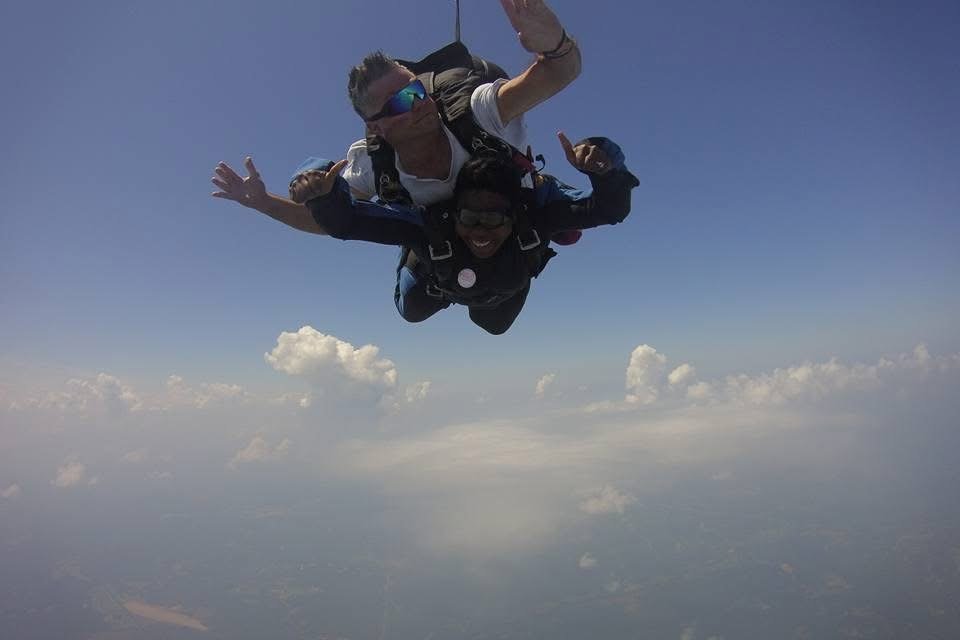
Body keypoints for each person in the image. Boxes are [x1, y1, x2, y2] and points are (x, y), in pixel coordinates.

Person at [211, 0, 583, 244]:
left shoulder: (478, 112)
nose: (422, 102)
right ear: (377, 126)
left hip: (509, 205)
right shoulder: (373, 163)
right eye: (403, 101)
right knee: (415, 304)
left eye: (418, 90)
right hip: (445, 234)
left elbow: (560, 72)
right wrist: (263, 203)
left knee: (566, 232)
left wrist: (555, 44)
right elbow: (323, 220)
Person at [283, 133, 639, 334]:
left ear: (514, 217)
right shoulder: (429, 227)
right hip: (437, 276)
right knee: (411, 310)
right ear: (453, 213)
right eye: (470, 217)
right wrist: (322, 189)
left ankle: (451, 279)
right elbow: (347, 223)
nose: (480, 231)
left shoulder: (534, 222)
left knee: (494, 325)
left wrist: (606, 171)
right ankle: (415, 263)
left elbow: (607, 210)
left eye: (494, 219)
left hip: (498, 288)